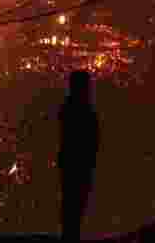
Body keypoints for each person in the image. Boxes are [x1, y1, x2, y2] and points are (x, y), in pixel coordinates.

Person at [58, 70, 100, 242]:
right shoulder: (84, 110)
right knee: (76, 203)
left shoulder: (68, 109)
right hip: (80, 164)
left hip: (71, 163)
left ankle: (70, 235)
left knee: (71, 204)